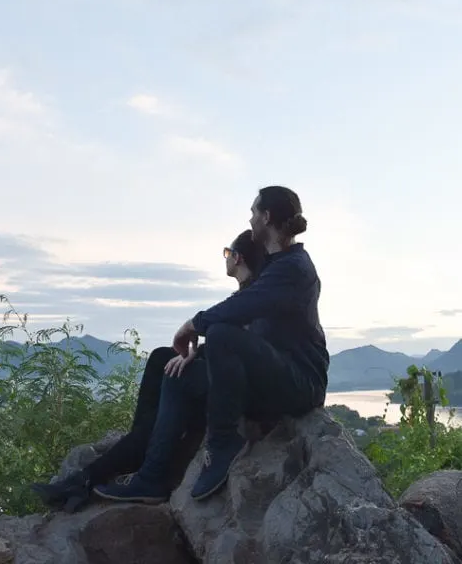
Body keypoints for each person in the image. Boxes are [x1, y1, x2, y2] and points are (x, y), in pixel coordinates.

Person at [94, 186, 329, 504]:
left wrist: (194, 325)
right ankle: (152, 478)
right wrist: (197, 355)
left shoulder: (294, 267)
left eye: (252, 212)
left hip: (300, 383)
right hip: (270, 378)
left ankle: (223, 443)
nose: (249, 219)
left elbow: (241, 310)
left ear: (266, 216)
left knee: (220, 332)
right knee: (176, 371)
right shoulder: (274, 268)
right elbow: (252, 330)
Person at [30, 229, 267, 511]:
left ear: (237, 257)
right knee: (161, 358)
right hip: (226, 377)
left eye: (227, 253)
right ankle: (142, 442)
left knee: (174, 375)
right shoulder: (250, 293)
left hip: (233, 391)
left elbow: (240, 350)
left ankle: (109, 477)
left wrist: (197, 355)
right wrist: (196, 354)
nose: (226, 258)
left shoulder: (255, 297)